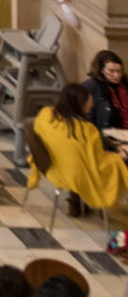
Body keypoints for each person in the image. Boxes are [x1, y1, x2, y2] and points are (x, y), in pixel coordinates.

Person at [31, 83, 128, 217]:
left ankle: (75, 203)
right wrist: (119, 155)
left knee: (77, 160)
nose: (91, 107)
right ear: (77, 106)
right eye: (87, 105)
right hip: (76, 174)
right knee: (120, 161)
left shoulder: (45, 114)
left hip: (53, 167)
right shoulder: (87, 130)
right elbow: (98, 162)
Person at [85, 50, 128, 132]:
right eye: (111, 71)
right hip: (107, 134)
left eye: (119, 71)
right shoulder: (92, 86)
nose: (116, 75)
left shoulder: (124, 85)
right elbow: (88, 117)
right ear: (101, 70)